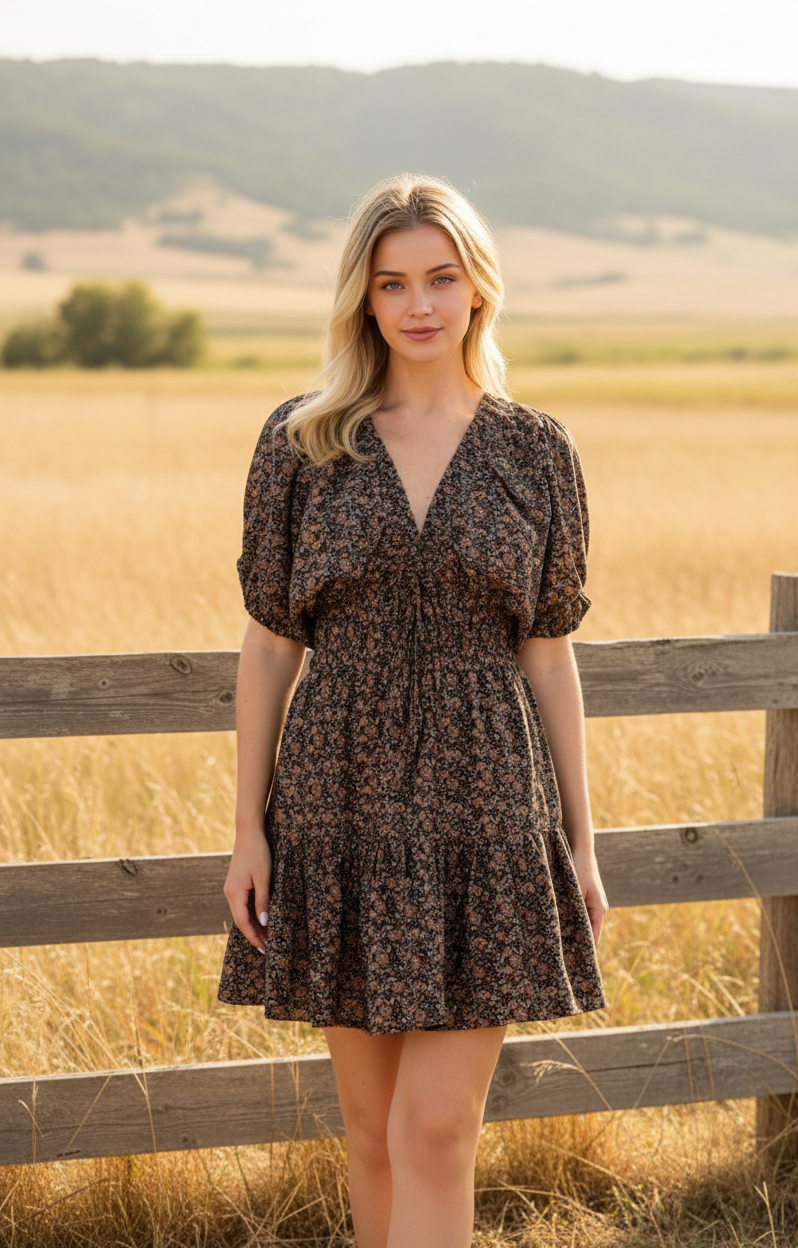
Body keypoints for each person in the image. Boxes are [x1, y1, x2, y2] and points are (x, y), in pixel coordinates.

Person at [218, 174, 608, 1248]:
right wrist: (248, 829)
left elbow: (549, 651)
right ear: (364, 299)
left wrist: (578, 843)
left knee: (436, 1127)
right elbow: (267, 646)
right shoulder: (304, 444)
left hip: (488, 809)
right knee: (371, 1129)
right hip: (337, 802)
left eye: (441, 277)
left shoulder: (536, 451)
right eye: (393, 283)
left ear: (478, 288)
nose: (420, 304)